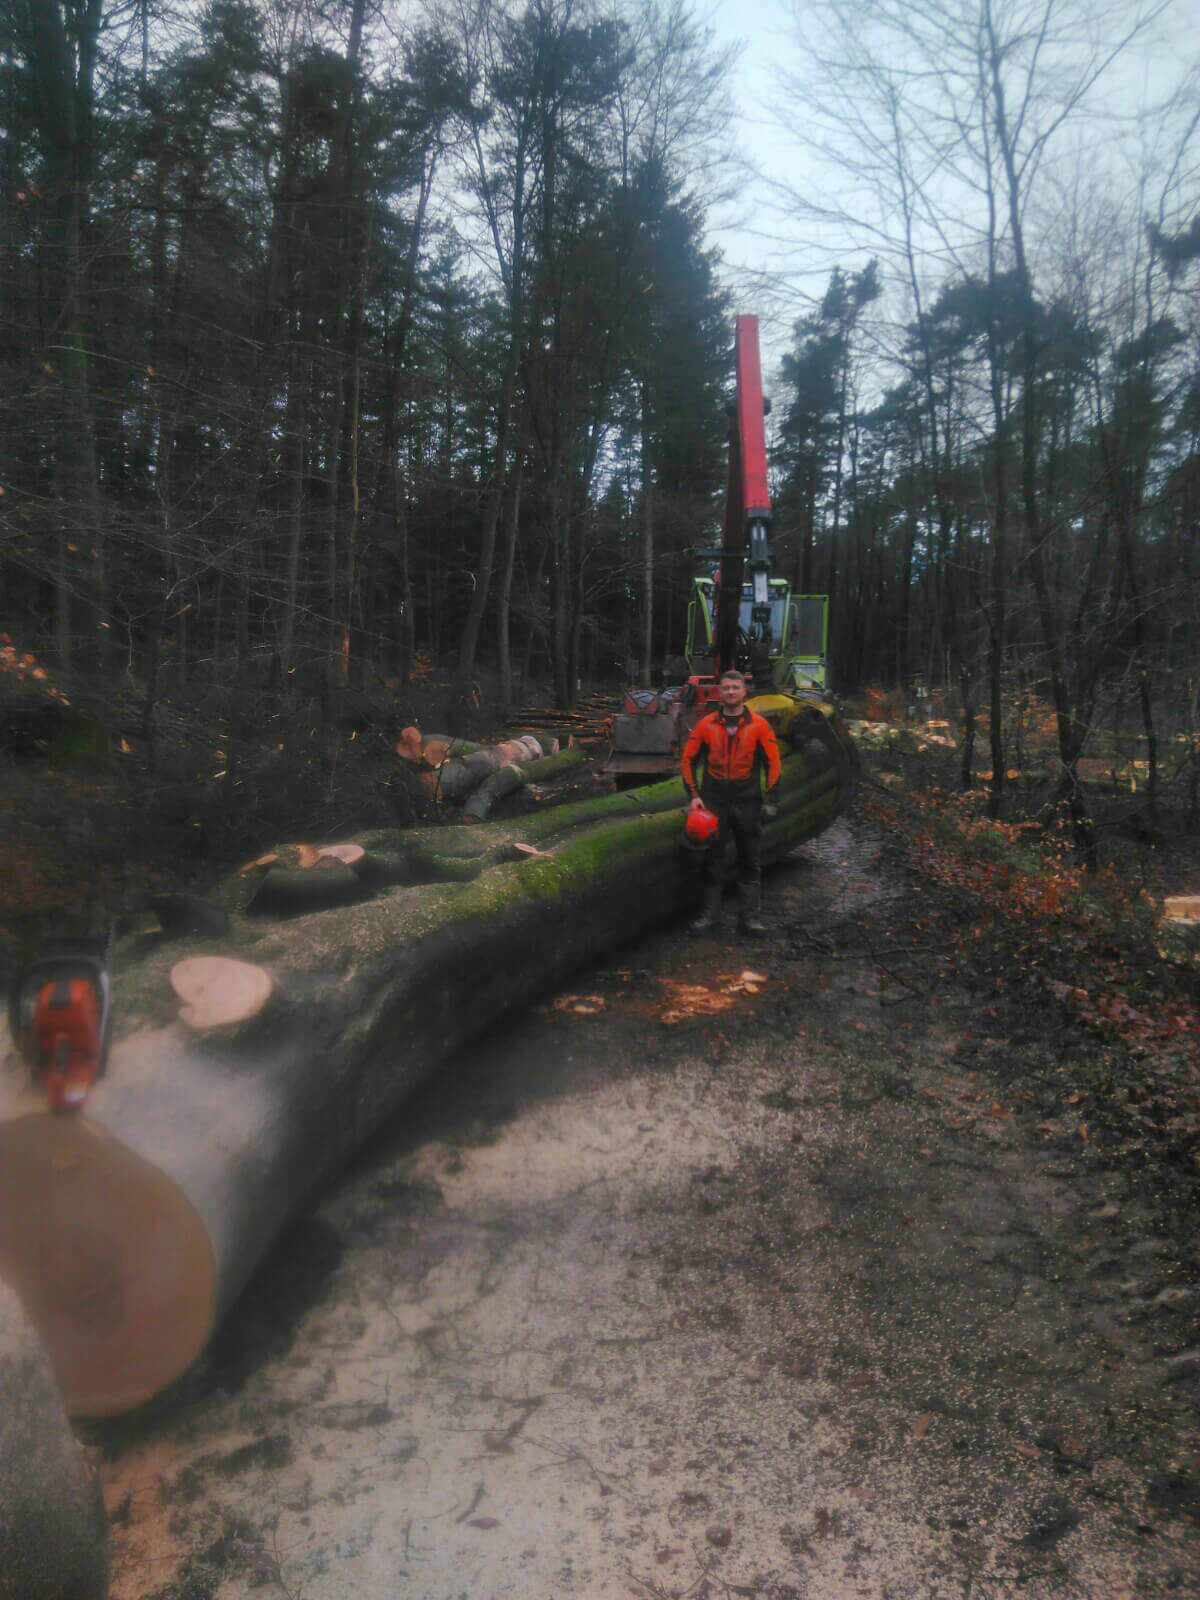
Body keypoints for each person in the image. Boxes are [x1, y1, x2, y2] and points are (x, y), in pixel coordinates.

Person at [681, 669, 781, 935]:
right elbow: (688, 759)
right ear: (719, 692)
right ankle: (710, 917)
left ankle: (750, 919)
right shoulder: (706, 725)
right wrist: (694, 797)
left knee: (749, 858)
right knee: (712, 857)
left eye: (735, 688)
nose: (731, 692)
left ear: (744, 692)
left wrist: (770, 797)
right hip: (714, 800)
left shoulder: (759, 725)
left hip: (747, 800)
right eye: (726, 688)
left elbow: (773, 762)